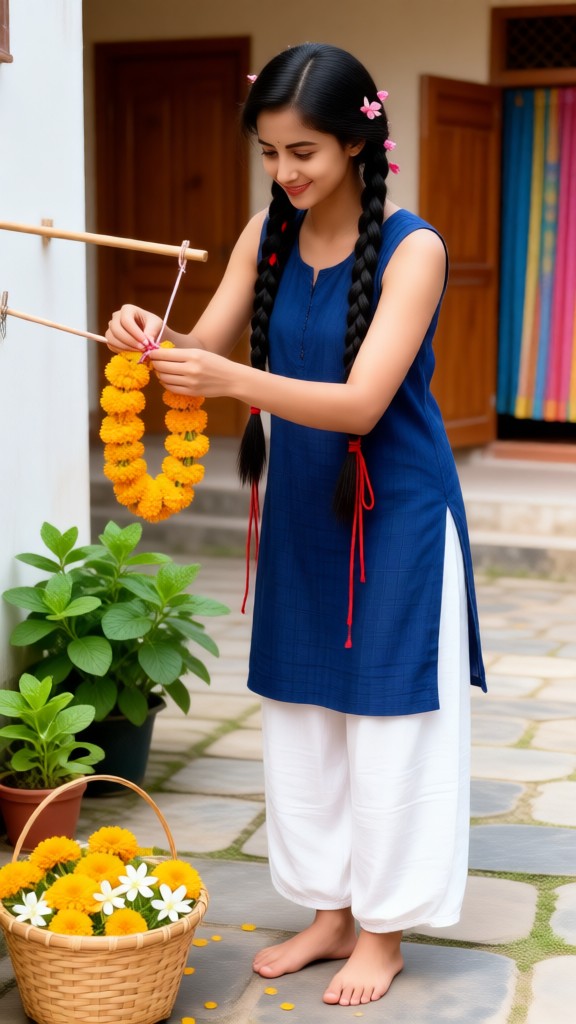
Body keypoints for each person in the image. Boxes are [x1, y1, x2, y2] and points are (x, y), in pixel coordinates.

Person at [105, 42, 486, 1008]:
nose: (286, 173)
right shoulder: (264, 234)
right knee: (304, 715)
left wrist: (231, 382)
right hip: (304, 514)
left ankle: (384, 929)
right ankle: (327, 909)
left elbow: (361, 403)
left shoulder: (416, 248)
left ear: (360, 140)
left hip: (395, 514)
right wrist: (156, 339)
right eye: (271, 153)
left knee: (389, 721)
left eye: (305, 151)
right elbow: (207, 346)